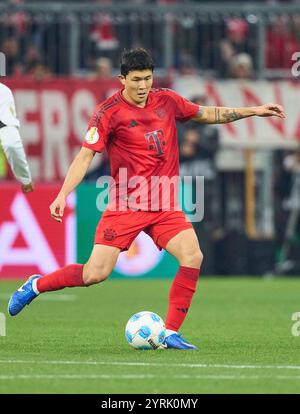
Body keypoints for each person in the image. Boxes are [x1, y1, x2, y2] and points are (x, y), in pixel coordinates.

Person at [7, 48, 285, 349]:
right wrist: (63, 193)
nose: (143, 86)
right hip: (125, 205)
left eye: (148, 79)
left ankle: (168, 332)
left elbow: (208, 114)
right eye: (137, 79)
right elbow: (86, 155)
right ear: (122, 79)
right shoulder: (107, 112)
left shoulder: (167, 100)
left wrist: (253, 111)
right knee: (94, 274)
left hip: (165, 205)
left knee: (193, 256)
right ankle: (35, 285)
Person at [0, 82, 33, 193]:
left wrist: (25, 179)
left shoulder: (3, 92)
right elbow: (12, 144)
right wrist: (25, 179)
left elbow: (12, 144)